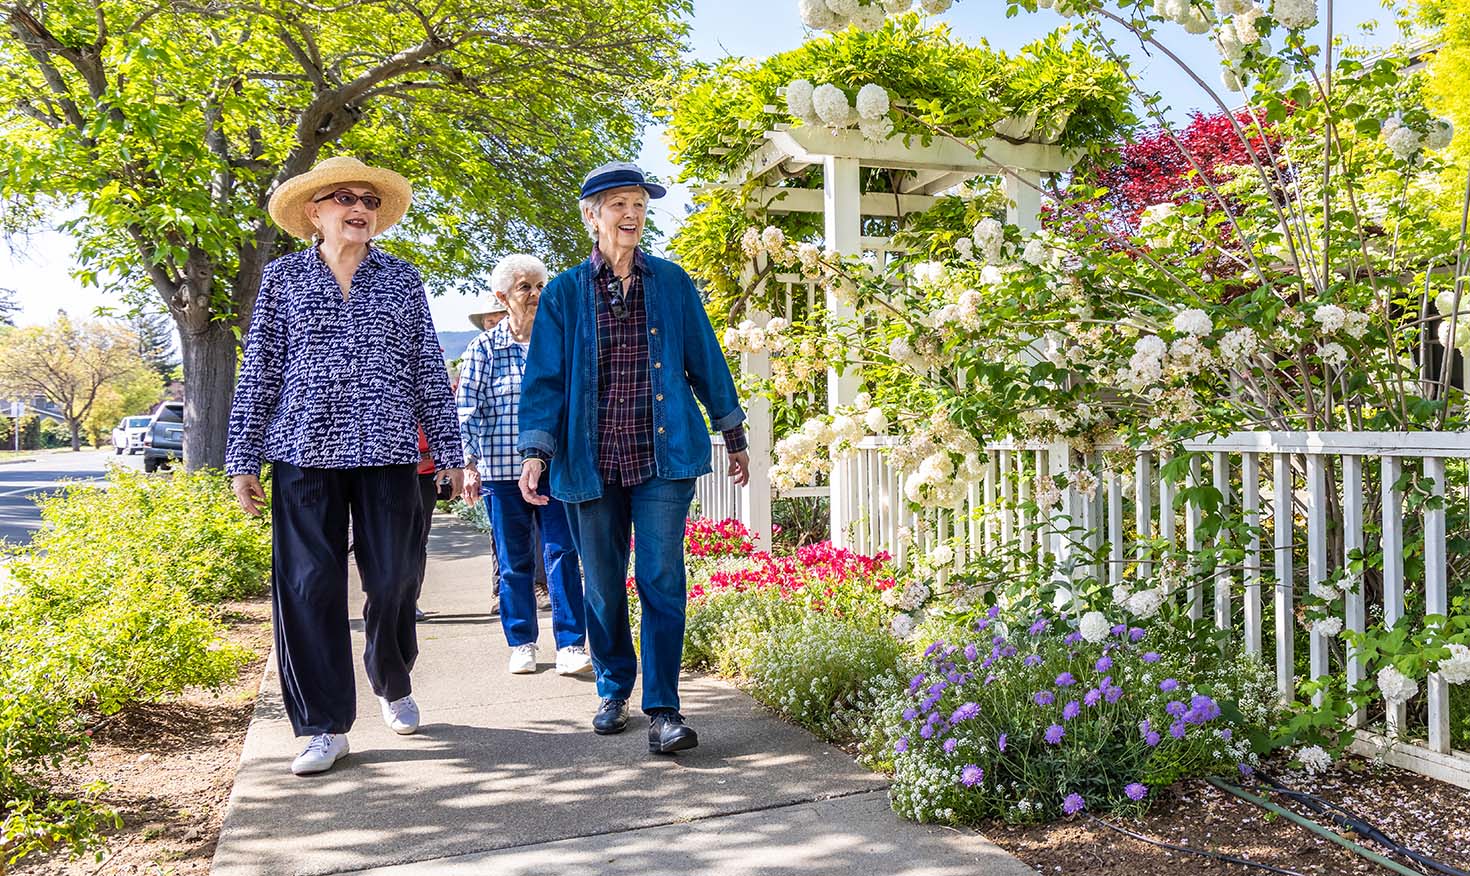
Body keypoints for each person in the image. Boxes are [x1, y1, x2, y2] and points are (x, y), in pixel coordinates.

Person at [226, 155, 464, 777]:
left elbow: (428, 371)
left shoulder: (403, 280)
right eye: (343, 198)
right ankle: (324, 726)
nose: (359, 208)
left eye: (368, 200)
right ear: (315, 213)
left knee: (393, 581)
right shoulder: (280, 280)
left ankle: (392, 676)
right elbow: (259, 374)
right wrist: (242, 458)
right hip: (303, 454)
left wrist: (451, 453)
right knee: (308, 587)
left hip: (389, 453)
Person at [517, 162, 749, 755]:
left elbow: (705, 358)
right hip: (588, 461)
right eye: (618, 204)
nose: (631, 215)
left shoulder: (672, 283)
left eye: (640, 205)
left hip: (662, 457)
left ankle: (664, 707)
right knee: (600, 585)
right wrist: (536, 453)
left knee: (661, 578)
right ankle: (613, 685)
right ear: (592, 216)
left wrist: (733, 433)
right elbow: (544, 380)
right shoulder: (566, 292)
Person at [458, 254, 591, 676]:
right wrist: (470, 464)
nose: (534, 295)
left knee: (562, 554)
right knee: (515, 561)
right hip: (501, 472)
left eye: (539, 287)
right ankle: (522, 642)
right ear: (501, 296)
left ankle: (571, 644)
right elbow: (466, 411)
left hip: (555, 468)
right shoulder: (484, 348)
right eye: (524, 288)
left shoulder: (560, 343)